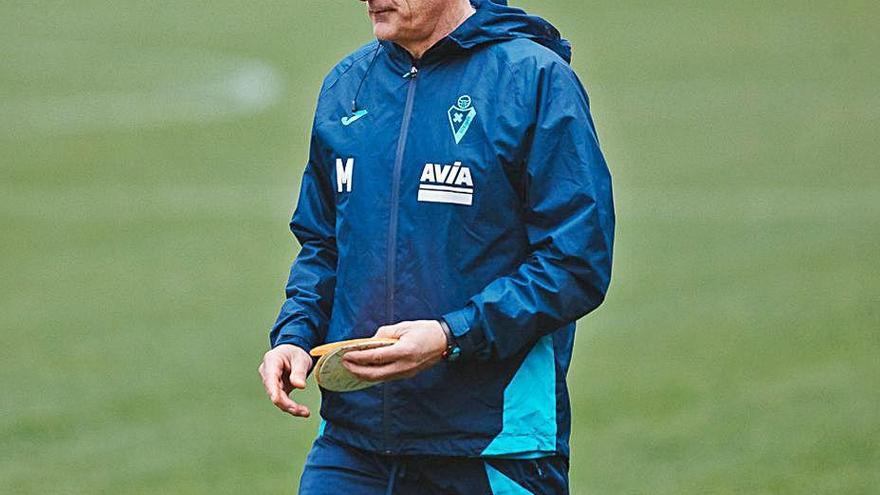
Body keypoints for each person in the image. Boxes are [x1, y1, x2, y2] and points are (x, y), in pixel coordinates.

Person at [258, 0, 614, 492]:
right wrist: (294, 336)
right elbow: (322, 245)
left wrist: (451, 335)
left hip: (489, 443)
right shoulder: (348, 86)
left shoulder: (533, 80)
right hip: (353, 443)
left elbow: (575, 262)